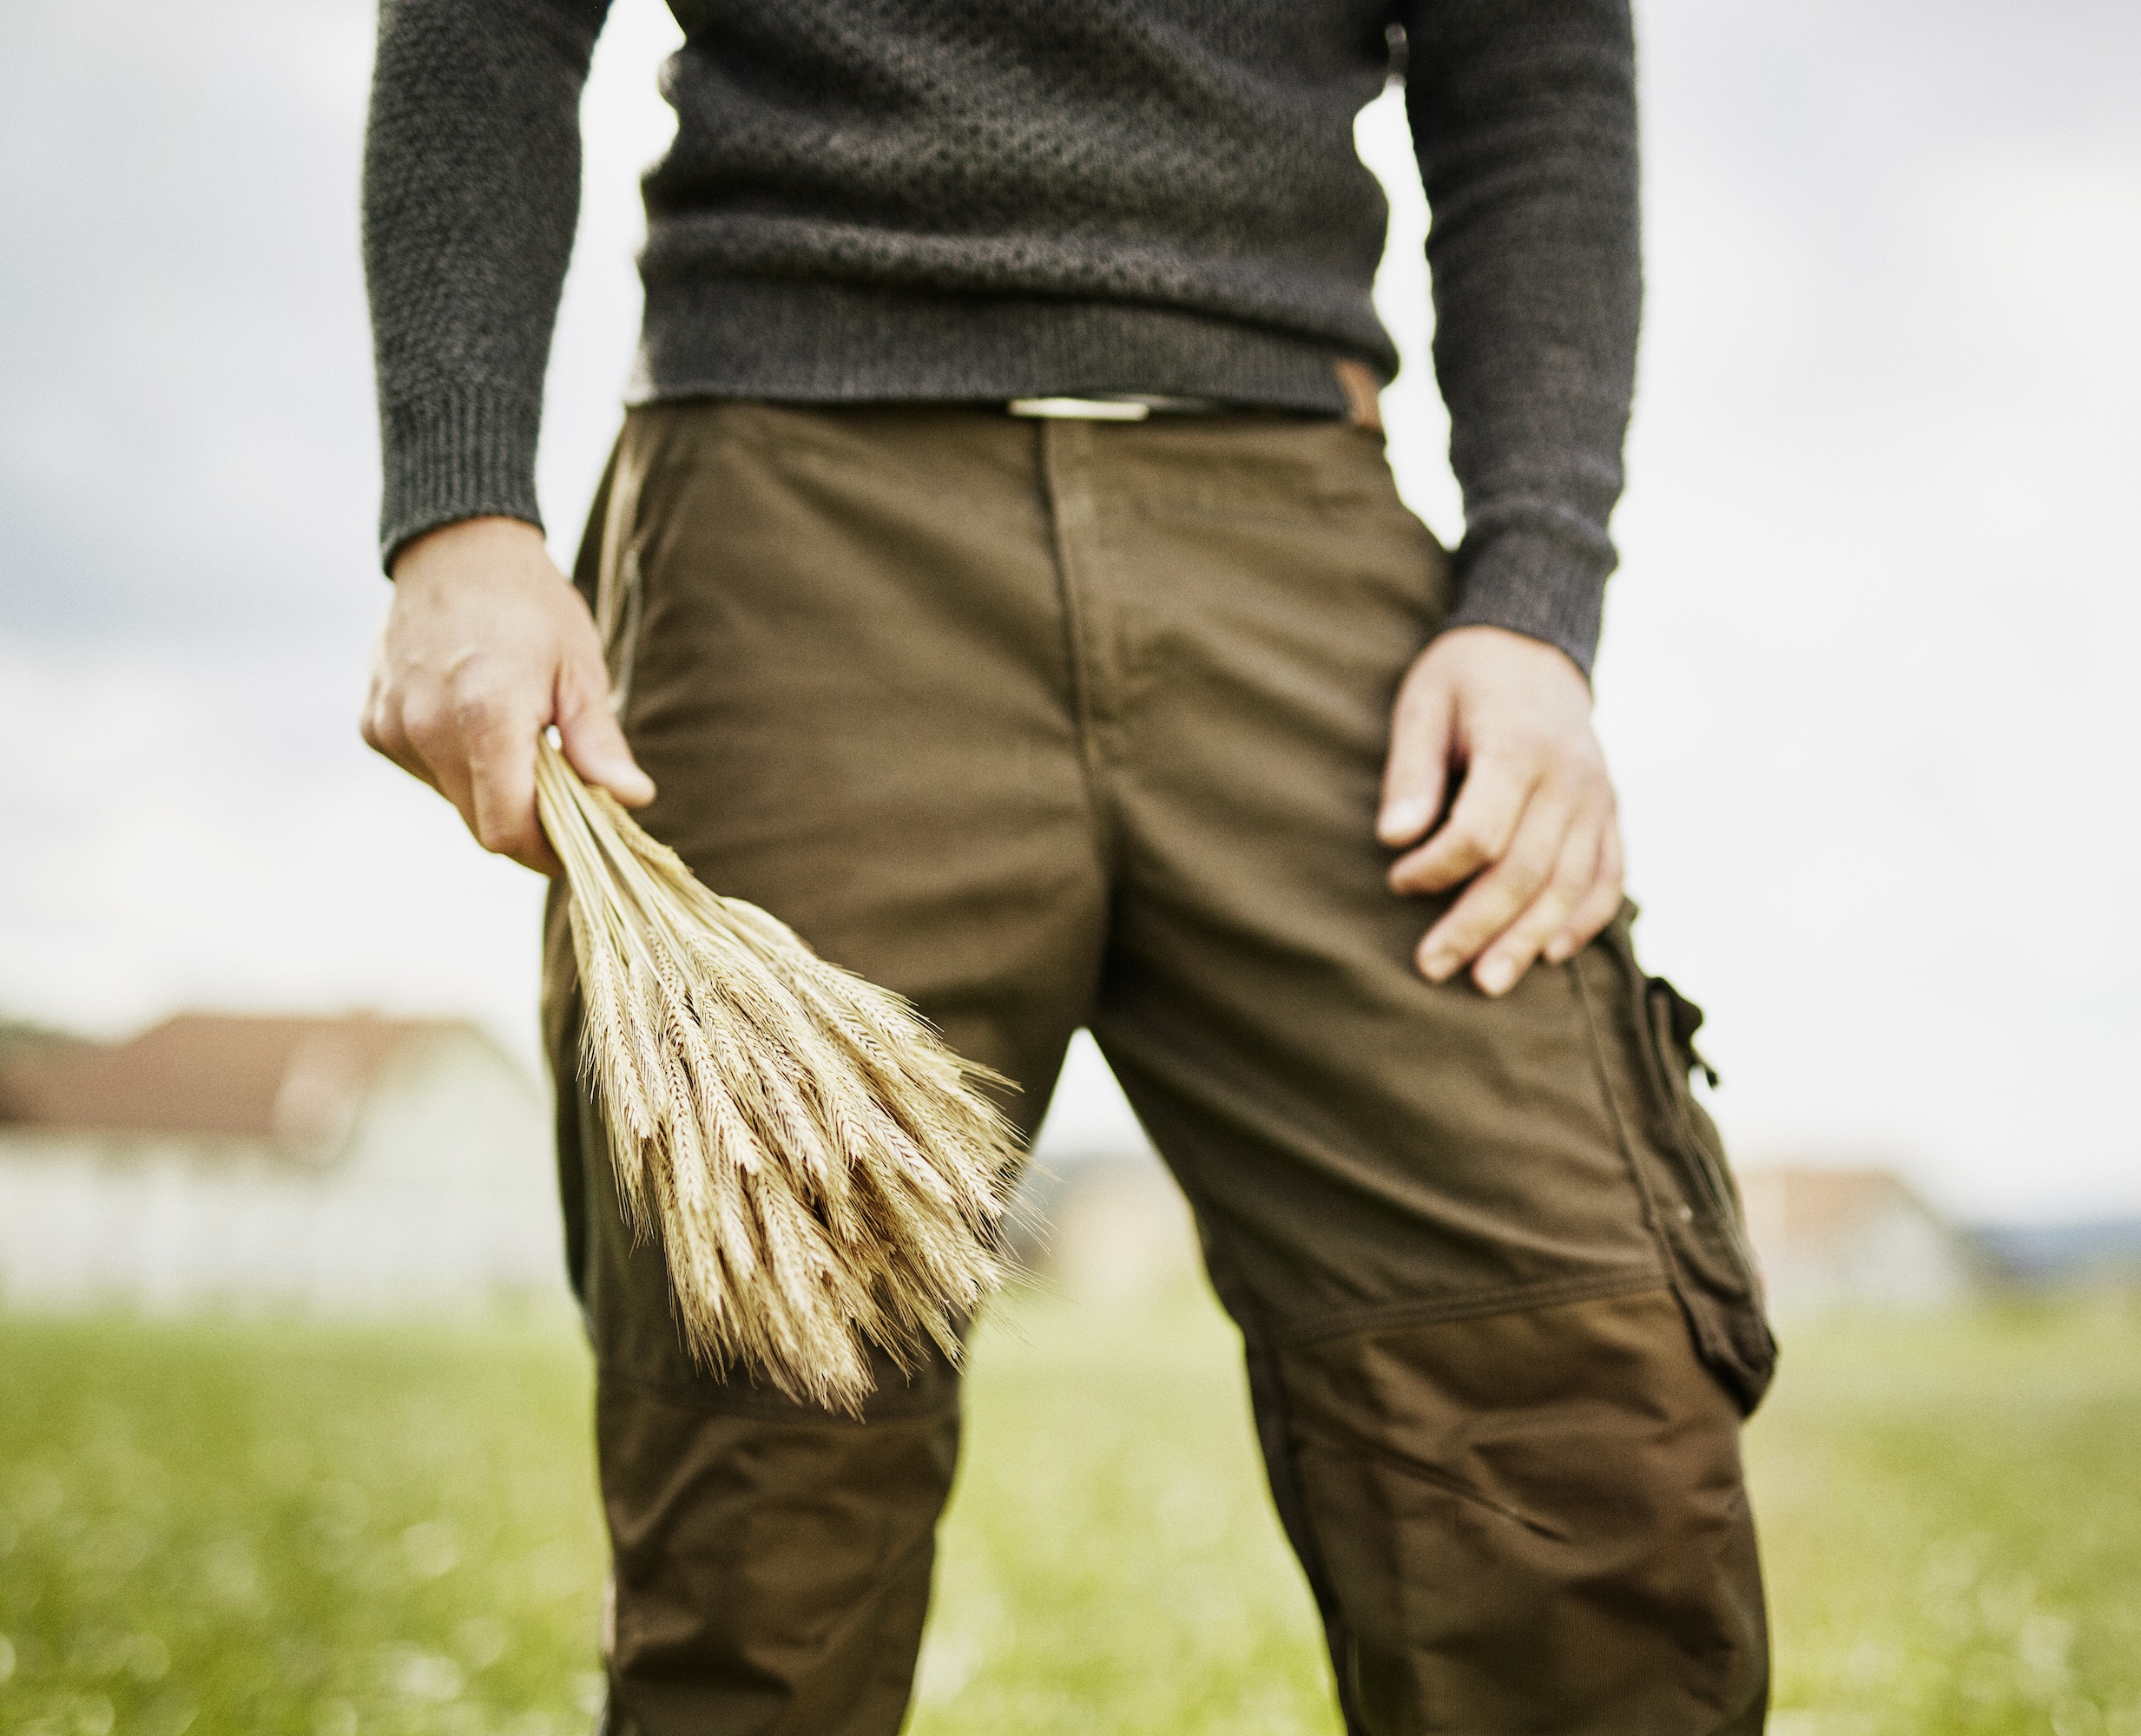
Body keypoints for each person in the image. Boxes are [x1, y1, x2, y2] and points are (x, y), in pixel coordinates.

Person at [358, 3, 1777, 1731]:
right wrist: (457, 506)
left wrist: (1537, 602)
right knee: (760, 1503)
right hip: (791, 512)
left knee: (1574, 1408)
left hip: (1302, 525)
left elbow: (1536, 57)